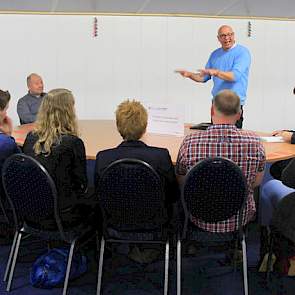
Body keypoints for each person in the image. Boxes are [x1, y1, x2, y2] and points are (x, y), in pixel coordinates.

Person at [176, 89, 265, 233]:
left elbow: (182, 180)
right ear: (240, 114)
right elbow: (256, 182)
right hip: (239, 217)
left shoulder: (190, 142)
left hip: (197, 216)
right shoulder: (255, 143)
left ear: (211, 110)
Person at [22, 88, 93, 228]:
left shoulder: (30, 138)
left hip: (30, 209)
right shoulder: (72, 143)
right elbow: (81, 184)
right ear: (68, 112)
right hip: (63, 215)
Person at [94, 99, 179, 208]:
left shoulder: (103, 158)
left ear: (117, 126)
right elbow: (173, 195)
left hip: (115, 221)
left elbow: (98, 196)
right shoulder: (161, 156)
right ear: (145, 126)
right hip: (155, 222)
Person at [176, 25, 251, 128]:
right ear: (218, 38)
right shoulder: (215, 55)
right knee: (216, 137)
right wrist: (189, 75)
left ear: (234, 35)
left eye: (229, 35)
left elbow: (234, 76)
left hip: (233, 103)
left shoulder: (242, 53)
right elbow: (203, 78)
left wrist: (216, 72)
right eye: (223, 35)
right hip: (217, 103)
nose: (226, 38)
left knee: (233, 139)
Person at [0, 89, 20, 241]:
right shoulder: (6, 144)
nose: (6, 114)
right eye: (5, 109)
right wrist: (8, 135)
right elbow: (23, 164)